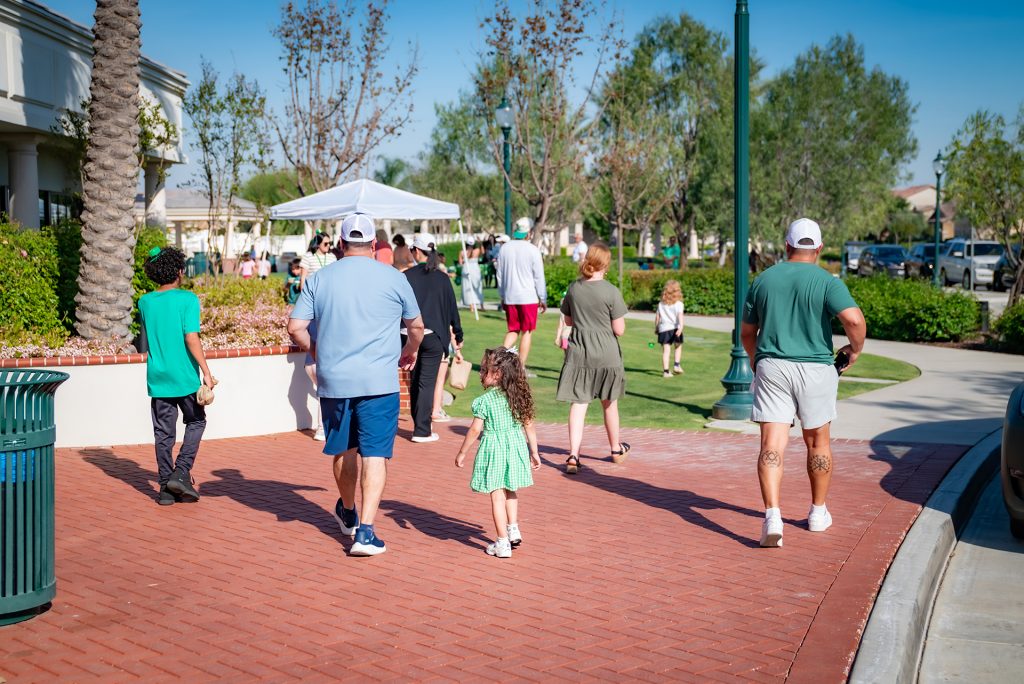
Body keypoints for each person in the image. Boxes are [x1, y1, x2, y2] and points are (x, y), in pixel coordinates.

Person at [288, 213, 425, 557]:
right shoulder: (394, 277)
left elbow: (295, 327)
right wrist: (409, 350)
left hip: (335, 381)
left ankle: (347, 510)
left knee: (343, 450)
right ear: (374, 245)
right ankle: (365, 532)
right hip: (379, 380)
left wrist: (315, 349)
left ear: (342, 242)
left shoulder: (321, 278)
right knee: (375, 454)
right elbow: (417, 326)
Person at [741, 218, 866, 548]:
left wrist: (757, 362)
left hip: (773, 365)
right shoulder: (828, 281)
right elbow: (853, 319)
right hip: (815, 369)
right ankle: (817, 512)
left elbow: (746, 332)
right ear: (820, 249)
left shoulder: (763, 280)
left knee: (771, 443)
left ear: (787, 246)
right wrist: (854, 350)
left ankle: (772, 516)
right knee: (818, 443)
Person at [138, 247, 218, 506]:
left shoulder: (145, 301)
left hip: (158, 377)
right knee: (196, 421)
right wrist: (206, 372)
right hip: (184, 377)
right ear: (179, 271)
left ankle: (165, 488)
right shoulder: (188, 299)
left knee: (163, 433)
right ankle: (181, 472)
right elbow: (191, 337)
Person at [455, 347, 541, 558]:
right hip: (516, 447)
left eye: (484, 370)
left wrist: (462, 452)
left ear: (497, 374)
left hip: (495, 449)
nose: (480, 374)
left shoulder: (484, 401)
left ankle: (502, 542)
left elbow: (475, 429)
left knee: (497, 496)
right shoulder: (518, 397)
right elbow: (528, 425)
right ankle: (513, 528)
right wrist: (535, 452)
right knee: (511, 490)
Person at [556, 243, 629, 474]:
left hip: (580, 353)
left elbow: (567, 321)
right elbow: (619, 329)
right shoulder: (611, 291)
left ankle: (573, 455)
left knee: (579, 405)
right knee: (609, 404)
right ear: (605, 265)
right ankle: (616, 449)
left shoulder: (574, 288)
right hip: (606, 354)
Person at [404, 233, 464, 443]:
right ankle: (422, 430)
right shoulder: (442, 279)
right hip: (433, 336)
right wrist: (458, 333)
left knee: (414, 380)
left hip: (408, 334)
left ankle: (420, 425)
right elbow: (452, 310)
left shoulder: (406, 276)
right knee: (426, 382)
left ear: (416, 251)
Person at [496, 227, 546, 370]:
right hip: (528, 297)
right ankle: (521, 367)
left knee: (513, 330)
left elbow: (499, 275)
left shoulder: (505, 248)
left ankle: (497, 358)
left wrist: (502, 295)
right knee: (527, 331)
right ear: (528, 234)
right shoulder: (532, 249)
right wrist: (543, 297)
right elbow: (538, 276)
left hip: (510, 295)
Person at [654, 279, 685, 377]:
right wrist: (681, 328)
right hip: (675, 328)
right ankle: (676, 365)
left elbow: (658, 318)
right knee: (678, 346)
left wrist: (656, 327)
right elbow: (680, 317)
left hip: (663, 329)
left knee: (666, 351)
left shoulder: (661, 304)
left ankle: (666, 372)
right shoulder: (679, 304)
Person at [459, 234, 484, 316]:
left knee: (472, 286)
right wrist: (480, 244)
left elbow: (460, 263)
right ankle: (476, 306)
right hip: (471, 269)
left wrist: (480, 244)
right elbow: (483, 252)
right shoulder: (471, 251)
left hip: (470, 269)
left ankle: (476, 306)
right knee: (472, 287)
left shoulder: (465, 252)